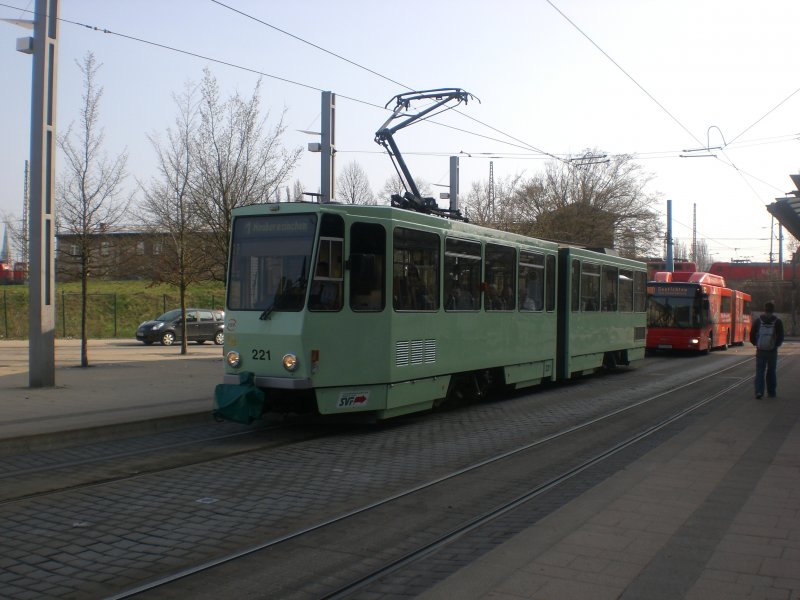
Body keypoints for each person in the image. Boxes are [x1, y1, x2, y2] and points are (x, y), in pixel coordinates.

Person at [749, 301, 784, 399]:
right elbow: (781, 336)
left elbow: (752, 334)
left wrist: (756, 343)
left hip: (760, 350)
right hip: (772, 350)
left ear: (765, 309)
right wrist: (776, 345)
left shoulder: (758, 320)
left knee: (760, 371)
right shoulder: (777, 321)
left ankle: (759, 392)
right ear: (773, 310)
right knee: (771, 371)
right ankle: (771, 392)